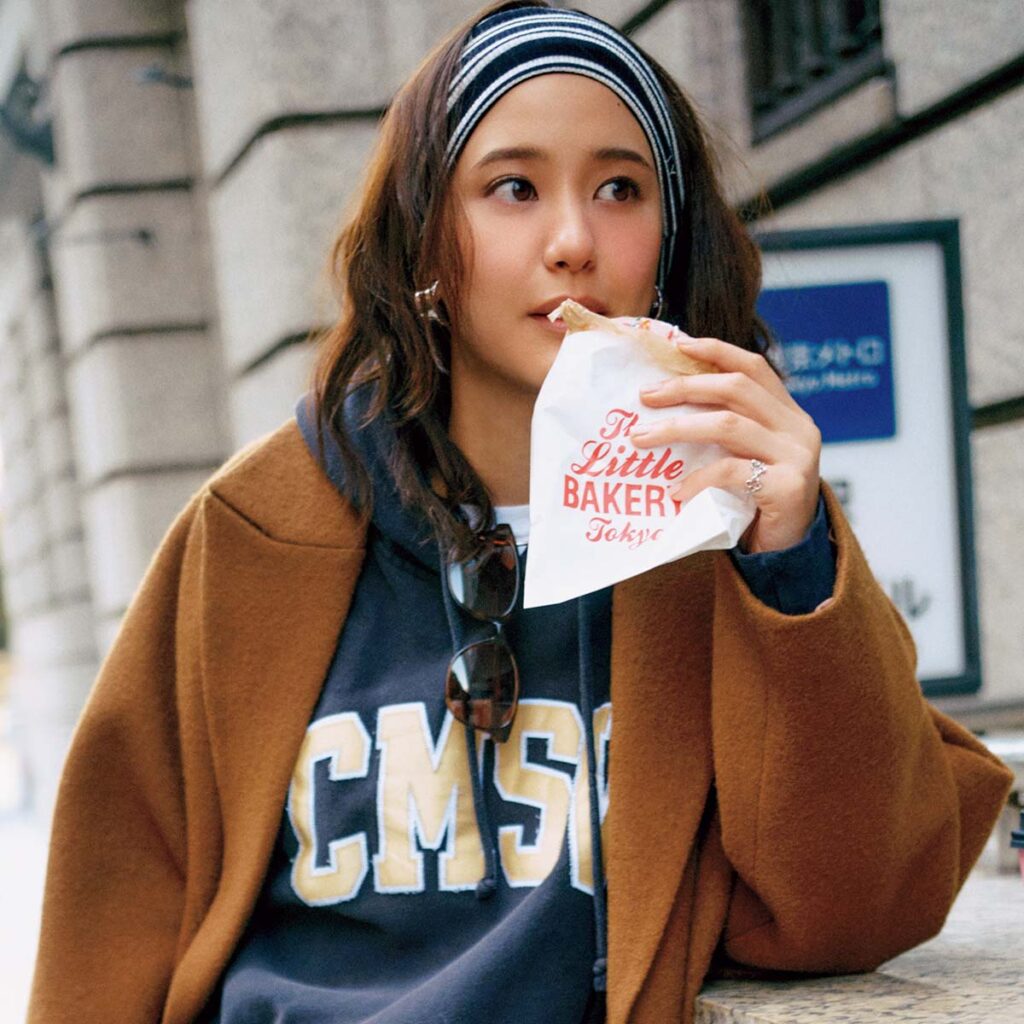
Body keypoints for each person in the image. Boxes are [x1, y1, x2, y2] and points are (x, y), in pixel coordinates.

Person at [28, 3, 1012, 1023]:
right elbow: (112, 925)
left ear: (670, 234)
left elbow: (855, 911)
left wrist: (789, 562)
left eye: (620, 189)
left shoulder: (721, 525)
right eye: (513, 188)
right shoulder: (254, 531)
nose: (574, 241)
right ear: (425, 234)